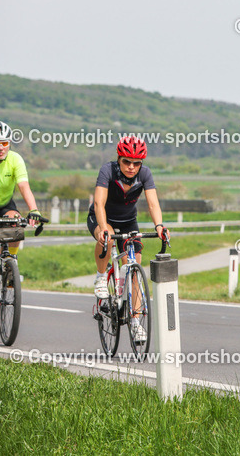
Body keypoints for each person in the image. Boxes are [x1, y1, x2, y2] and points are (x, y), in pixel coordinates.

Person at [88, 136, 167, 343]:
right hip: (102, 217)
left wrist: (159, 226)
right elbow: (99, 203)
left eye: (136, 163)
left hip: (128, 222)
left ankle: (136, 322)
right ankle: (101, 276)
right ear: (119, 159)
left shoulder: (145, 174)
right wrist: (103, 228)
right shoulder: (107, 170)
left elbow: (153, 204)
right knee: (107, 239)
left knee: (134, 270)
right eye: (126, 162)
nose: (131, 167)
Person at [0, 121, 44, 296]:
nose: (1, 148)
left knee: (16, 221)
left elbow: (24, 186)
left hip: (4, 206)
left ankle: (10, 260)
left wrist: (34, 210)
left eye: (5, 143)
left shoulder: (15, 159)